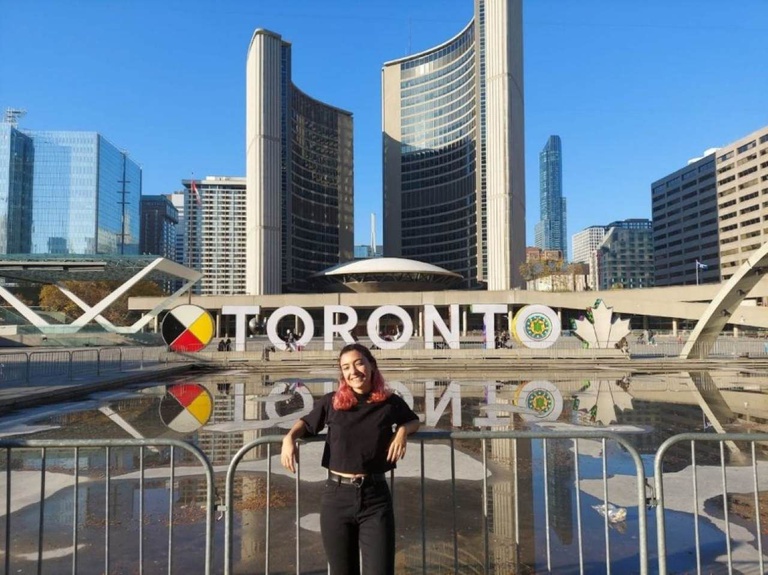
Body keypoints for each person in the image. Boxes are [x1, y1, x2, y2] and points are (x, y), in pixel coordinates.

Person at [281, 343, 420, 575]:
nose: (353, 371)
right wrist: (289, 438)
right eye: (346, 367)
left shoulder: (389, 402)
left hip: (375, 499)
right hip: (337, 498)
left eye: (358, 363)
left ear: (371, 365)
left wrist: (402, 431)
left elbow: (413, 420)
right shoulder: (332, 402)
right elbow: (306, 423)